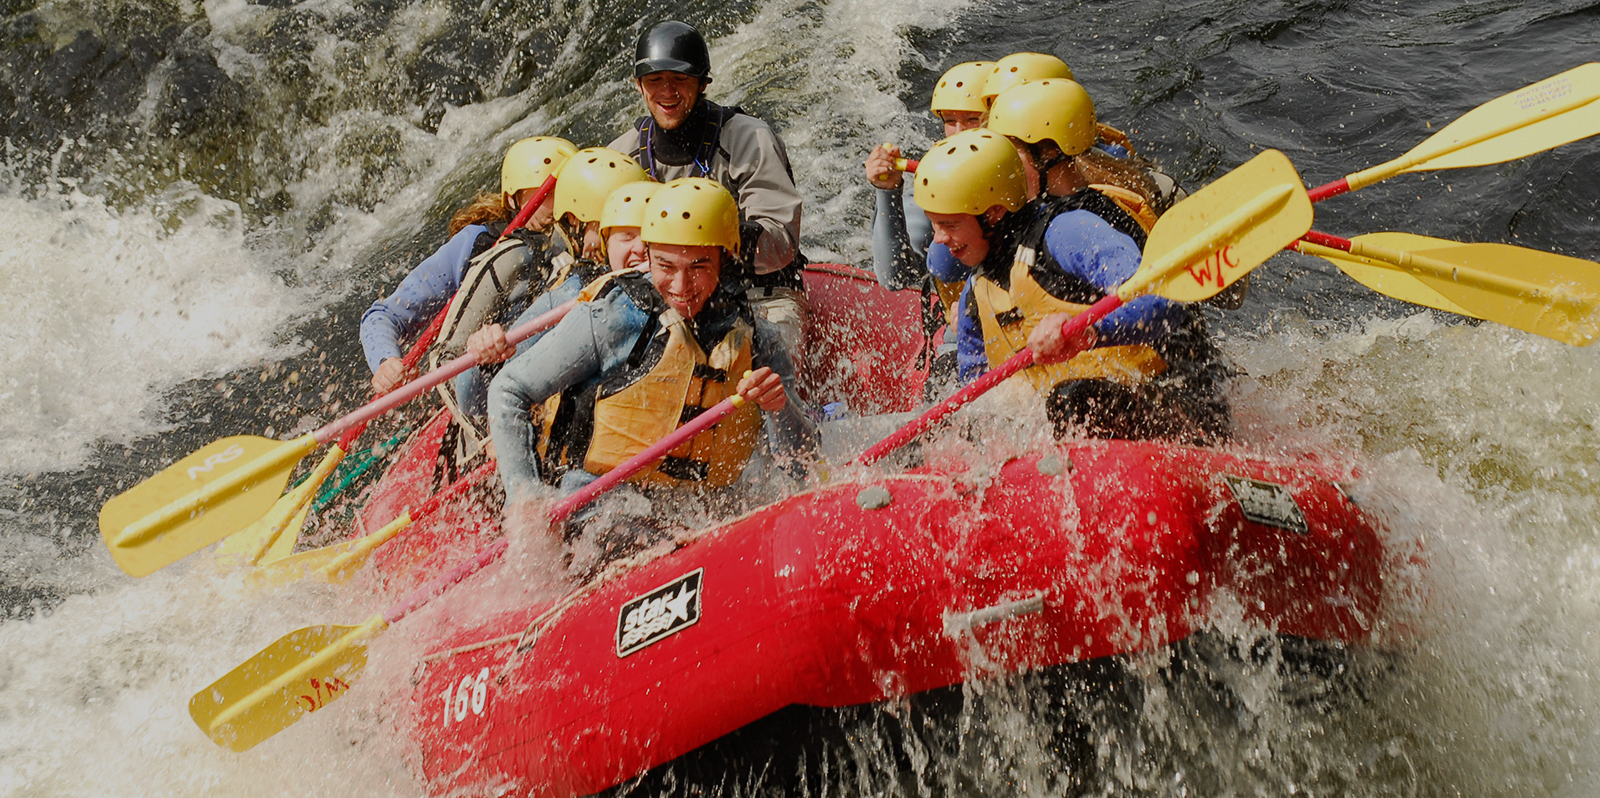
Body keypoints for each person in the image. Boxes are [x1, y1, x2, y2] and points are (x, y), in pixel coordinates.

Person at [486, 178, 816, 537]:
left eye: (699, 267)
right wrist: (526, 495)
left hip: (702, 510)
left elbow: (803, 458)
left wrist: (779, 406)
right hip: (600, 509)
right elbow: (509, 389)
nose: (681, 285)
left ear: (727, 258)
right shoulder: (614, 318)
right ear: (649, 256)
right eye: (665, 265)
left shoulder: (757, 338)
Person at [913, 129, 1230, 444]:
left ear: (993, 213)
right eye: (934, 224)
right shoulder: (975, 292)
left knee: (1071, 401)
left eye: (950, 225)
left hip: (1175, 404)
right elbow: (977, 389)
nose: (939, 238)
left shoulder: (1068, 232)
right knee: (962, 415)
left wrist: (1089, 332)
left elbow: (1162, 300)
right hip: (1072, 423)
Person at [608, 20, 808, 360]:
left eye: (680, 80)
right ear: (639, 86)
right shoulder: (622, 155)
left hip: (760, 296)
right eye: (655, 80)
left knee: (764, 374)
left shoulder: (749, 139)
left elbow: (781, 245)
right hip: (667, 298)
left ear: (702, 83)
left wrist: (711, 235)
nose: (667, 91)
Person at [360, 136, 575, 415]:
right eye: (547, 193)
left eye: (571, 192)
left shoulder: (590, 234)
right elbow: (383, 316)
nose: (561, 204)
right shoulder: (477, 242)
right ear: (514, 199)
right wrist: (386, 361)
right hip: (482, 387)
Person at [861, 61, 991, 393]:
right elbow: (894, 277)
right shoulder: (938, 178)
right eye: (950, 122)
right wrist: (888, 193)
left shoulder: (1034, 176)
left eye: (972, 120)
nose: (959, 133)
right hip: (960, 346)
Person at [462, 149, 651, 370]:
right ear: (575, 221)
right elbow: (457, 364)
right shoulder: (545, 273)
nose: (639, 246)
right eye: (620, 232)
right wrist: (482, 348)